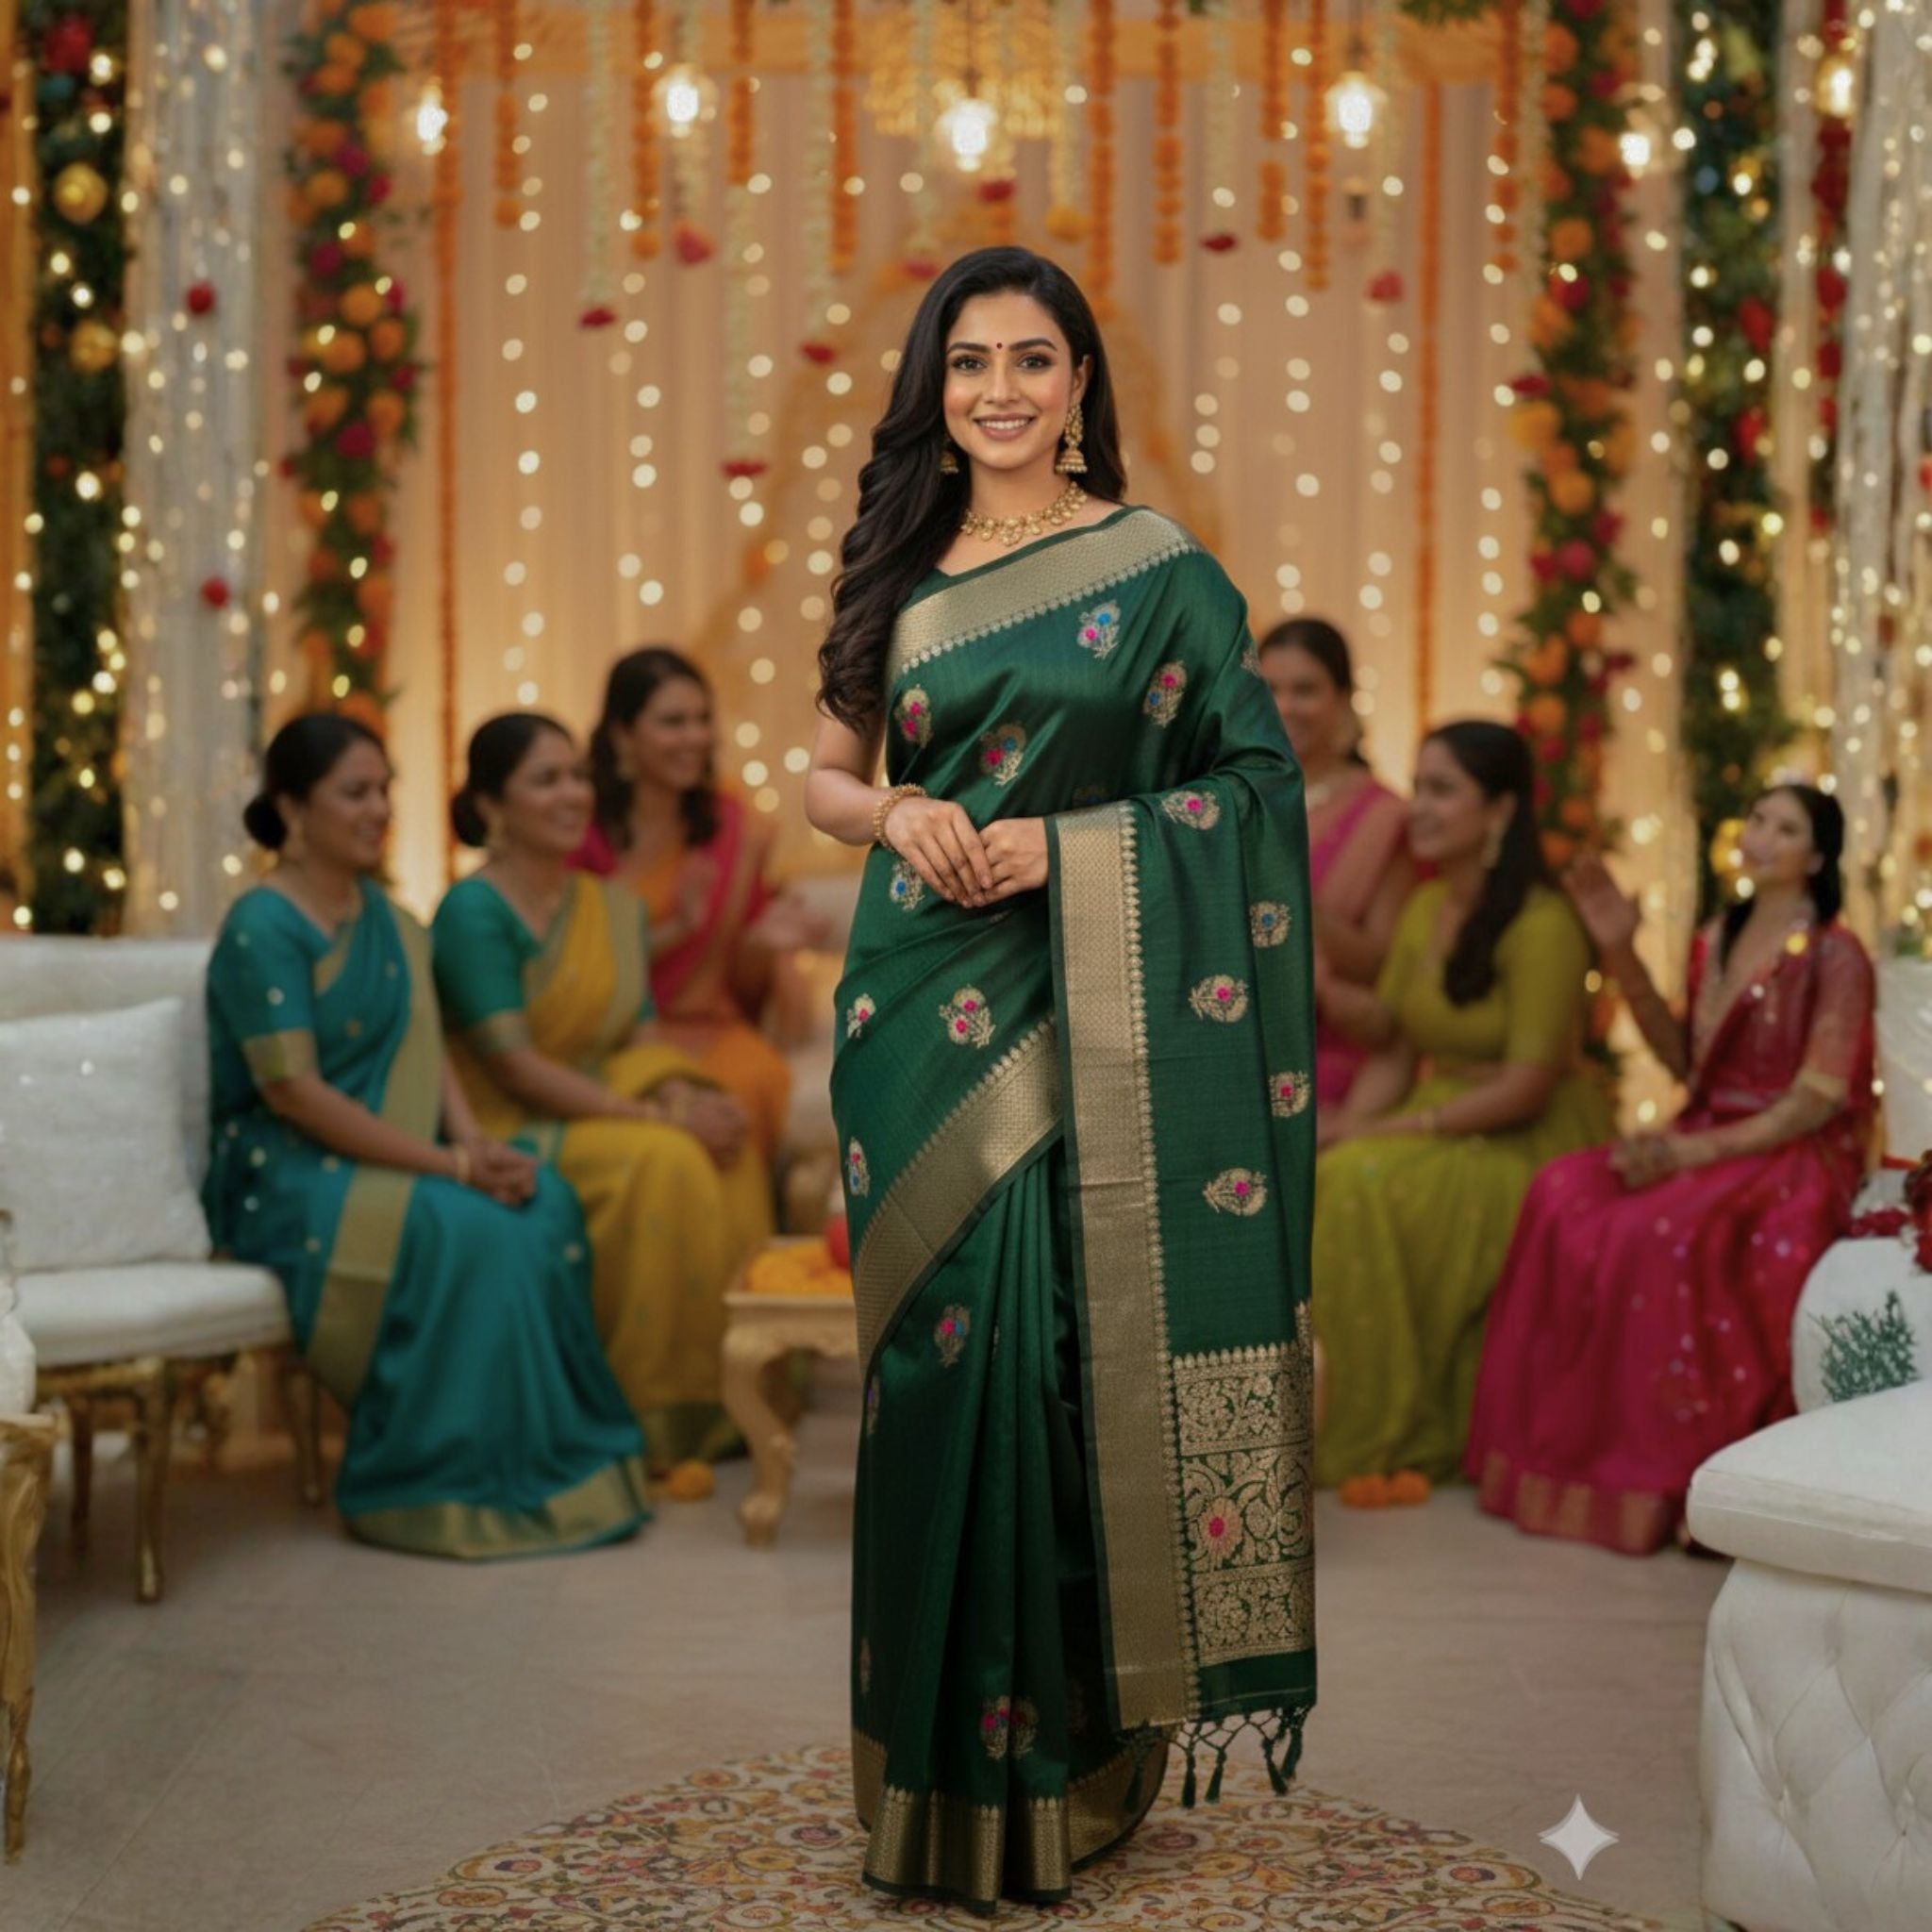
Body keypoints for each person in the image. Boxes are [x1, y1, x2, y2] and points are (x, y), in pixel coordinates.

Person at [805, 245, 1316, 1912]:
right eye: (967, 364)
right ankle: (931, 1779)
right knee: (940, 1368)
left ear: (1082, 381)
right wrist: (894, 813)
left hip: (1098, 995)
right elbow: (821, 773)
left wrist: (1068, 847)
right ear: (932, 387)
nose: (999, 390)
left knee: (1053, 1363)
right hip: (914, 998)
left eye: (1032, 359)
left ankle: (1064, 1771)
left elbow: (1250, 781)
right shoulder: (898, 554)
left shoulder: (1157, 569)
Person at [203, 713, 649, 1557]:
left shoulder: (393, 919)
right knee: (467, 1226)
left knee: (540, 1201)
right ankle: (439, 1476)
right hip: (288, 1171)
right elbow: (294, 1094)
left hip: (401, 1156)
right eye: (356, 793)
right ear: (293, 809)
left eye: (385, 790)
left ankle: (550, 1461)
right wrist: (448, 1167)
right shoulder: (263, 926)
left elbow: (426, 1044)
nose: (379, 809)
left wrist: (476, 1147)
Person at [1468, 784, 1874, 1554]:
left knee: (1660, 1228)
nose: (1762, 834)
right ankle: (1565, 1458)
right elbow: (1686, 1062)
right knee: (1560, 1191)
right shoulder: (1717, 935)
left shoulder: (1834, 954)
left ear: (1816, 858)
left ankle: (1667, 1482)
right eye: (1757, 817)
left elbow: (1816, 1100)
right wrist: (1618, 950)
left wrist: (1689, 1152)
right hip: (1706, 1129)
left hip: (1786, 1153)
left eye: (1785, 828)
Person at [433, 712, 773, 1473]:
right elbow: (513, 1066)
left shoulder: (604, 906)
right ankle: (644, 1417)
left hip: (601, 1097)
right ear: (490, 806)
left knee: (727, 1144)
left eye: (578, 777)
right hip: (511, 1119)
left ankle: (731, 1404)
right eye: (545, 779)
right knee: (663, 1161)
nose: (572, 794)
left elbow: (639, 1035)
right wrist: (655, 1117)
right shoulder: (473, 912)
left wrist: (686, 1098)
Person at [1311, 720, 1613, 1497]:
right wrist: (1345, 1110)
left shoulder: (1544, 923)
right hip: (1437, 1106)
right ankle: (1327, 1419)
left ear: (1502, 811)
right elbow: (1394, 1039)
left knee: (1359, 1182)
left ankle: (1385, 1430)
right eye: (1419, 787)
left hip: (1524, 1133)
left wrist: (1386, 1128)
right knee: (1329, 1167)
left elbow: (1528, 1086)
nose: (1420, 808)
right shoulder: (1427, 907)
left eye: (1443, 790)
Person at [577, 647, 825, 1166]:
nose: (694, 737)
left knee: (748, 1083)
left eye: (702, 720)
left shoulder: (734, 829)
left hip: (712, 1029)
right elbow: (572, 964)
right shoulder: (579, 833)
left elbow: (745, 987)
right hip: (609, 1036)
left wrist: (761, 946)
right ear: (623, 735)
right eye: (673, 722)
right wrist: (671, 929)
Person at [1257, 618, 1414, 1109]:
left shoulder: (1385, 817)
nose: (1285, 708)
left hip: (1331, 1048)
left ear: (1343, 698)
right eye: (1270, 689)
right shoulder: (1232, 801)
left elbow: (1378, 963)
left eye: (1305, 690)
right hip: (1232, 1028)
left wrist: (1291, 892)